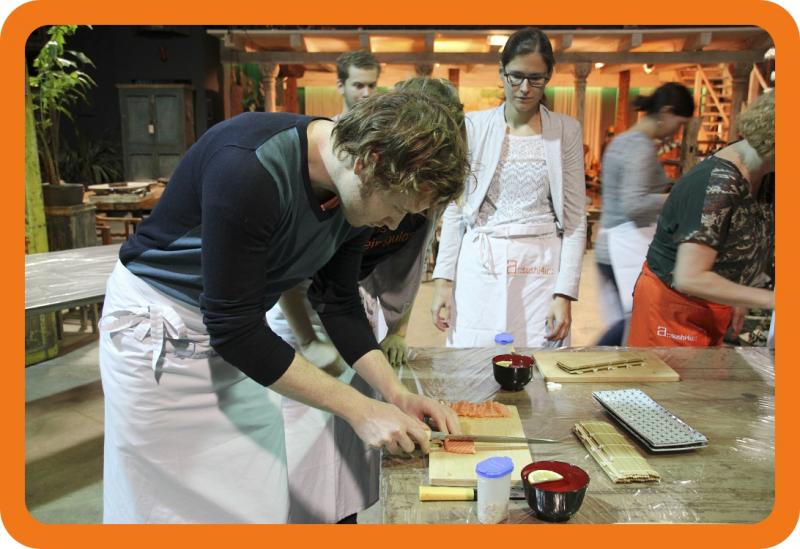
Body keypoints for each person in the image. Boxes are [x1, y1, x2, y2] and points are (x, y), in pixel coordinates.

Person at [98, 89, 467, 523]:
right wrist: (359, 408)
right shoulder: (248, 165)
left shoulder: (355, 196)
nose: (394, 224)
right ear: (368, 161)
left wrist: (396, 394)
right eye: (399, 208)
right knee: (167, 511)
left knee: (259, 502)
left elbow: (337, 300)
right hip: (161, 333)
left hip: (230, 334)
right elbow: (234, 328)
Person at [268, 76, 464, 524]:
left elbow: (347, 292)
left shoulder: (393, 198)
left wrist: (394, 383)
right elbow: (288, 280)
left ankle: (344, 518)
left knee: (347, 452)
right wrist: (306, 337)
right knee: (302, 447)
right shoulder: (336, 180)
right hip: (296, 311)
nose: (394, 222)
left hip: (345, 306)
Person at [430, 27, 587, 348]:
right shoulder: (474, 126)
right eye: (516, 76)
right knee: (473, 356)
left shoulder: (566, 130)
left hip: (540, 266)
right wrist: (444, 280)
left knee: (536, 357)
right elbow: (457, 209)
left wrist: (564, 294)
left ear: (549, 76)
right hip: (481, 261)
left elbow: (574, 219)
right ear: (501, 72)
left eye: (536, 78)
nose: (525, 88)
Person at [628, 91, 775, 347]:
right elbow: (690, 277)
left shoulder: (766, 175)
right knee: (666, 374)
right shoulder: (718, 184)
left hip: (711, 305)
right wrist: (770, 299)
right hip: (673, 308)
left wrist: (739, 293)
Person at [594, 83, 694, 346]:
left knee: (629, 320)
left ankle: (592, 360)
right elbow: (634, 204)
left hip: (613, 244)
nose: (677, 131)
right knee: (633, 321)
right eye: (680, 123)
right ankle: (586, 361)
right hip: (624, 246)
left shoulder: (624, 141)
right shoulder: (639, 146)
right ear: (667, 112)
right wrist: (677, 197)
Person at [335, 50, 380, 116]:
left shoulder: (388, 122)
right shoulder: (325, 122)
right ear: (340, 86)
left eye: (371, 85)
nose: (366, 94)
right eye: (359, 86)